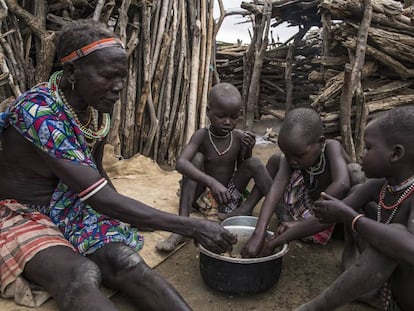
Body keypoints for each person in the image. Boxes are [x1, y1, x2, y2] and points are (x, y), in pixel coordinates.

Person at [0, 19, 236, 311]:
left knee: (124, 260)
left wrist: (131, 215)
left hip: (70, 203)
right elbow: (97, 196)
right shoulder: (39, 113)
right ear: (72, 72)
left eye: (122, 77)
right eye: (109, 76)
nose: (119, 87)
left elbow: (97, 174)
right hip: (21, 213)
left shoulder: (92, 109)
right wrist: (190, 226)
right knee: (81, 274)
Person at [294, 106, 414, 311]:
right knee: (360, 199)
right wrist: (275, 241)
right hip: (392, 290)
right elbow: (325, 217)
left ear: (395, 154)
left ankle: (313, 308)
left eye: (368, 147)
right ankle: (363, 279)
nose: (361, 153)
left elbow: (410, 248)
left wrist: (351, 217)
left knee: (393, 237)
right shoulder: (378, 187)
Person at [156, 82, 272, 252]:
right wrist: (211, 182)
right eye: (221, 116)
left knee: (254, 163)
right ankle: (181, 228)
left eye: (233, 117)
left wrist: (248, 150)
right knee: (195, 159)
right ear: (208, 112)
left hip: (227, 196)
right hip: (202, 195)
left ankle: (256, 211)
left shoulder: (238, 137)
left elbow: (243, 168)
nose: (228, 122)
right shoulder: (201, 136)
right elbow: (181, 163)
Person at [241, 107, 363, 258]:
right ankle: (287, 220)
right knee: (277, 159)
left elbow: (342, 184)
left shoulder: (332, 147)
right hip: (309, 204)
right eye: (288, 154)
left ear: (320, 143)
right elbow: (276, 188)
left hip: (335, 214)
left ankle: (351, 246)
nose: (292, 160)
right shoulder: (293, 157)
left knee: (355, 172)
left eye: (299, 155)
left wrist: (305, 223)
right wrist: (259, 233)